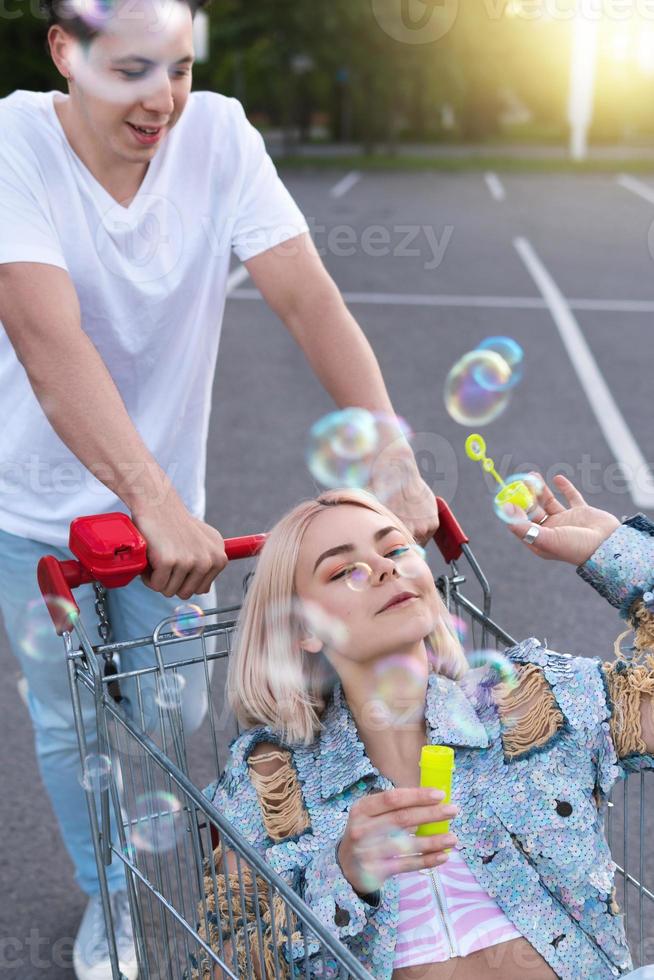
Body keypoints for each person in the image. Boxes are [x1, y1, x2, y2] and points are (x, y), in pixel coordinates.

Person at [0, 0, 439, 976]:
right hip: (33, 505)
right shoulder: (13, 143)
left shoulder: (222, 137)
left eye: (182, 68)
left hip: (167, 509)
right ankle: (114, 895)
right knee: (70, 720)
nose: (163, 99)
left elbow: (304, 293)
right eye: (133, 71)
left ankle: (134, 820)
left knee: (168, 712)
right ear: (66, 52)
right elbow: (45, 337)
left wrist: (392, 452)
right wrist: (150, 500)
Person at [191, 475, 654, 979]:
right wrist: (343, 877)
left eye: (396, 549)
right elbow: (223, 968)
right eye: (345, 570)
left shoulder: (533, 702)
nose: (386, 568)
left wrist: (614, 553)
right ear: (303, 629)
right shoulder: (272, 783)